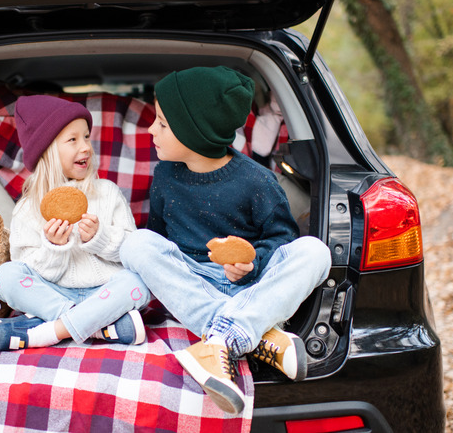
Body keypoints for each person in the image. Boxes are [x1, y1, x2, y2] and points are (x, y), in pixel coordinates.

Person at [120, 66, 332, 414]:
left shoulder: (257, 181)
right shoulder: (164, 175)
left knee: (315, 252)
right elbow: (158, 243)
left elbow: (282, 238)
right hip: (193, 284)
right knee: (136, 244)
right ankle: (257, 335)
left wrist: (251, 265)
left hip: (251, 285)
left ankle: (219, 342)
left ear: (194, 130)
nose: (150, 129)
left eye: (161, 122)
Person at [0, 95, 151, 353]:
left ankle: (47, 332)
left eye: (87, 137)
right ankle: (98, 327)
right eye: (73, 140)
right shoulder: (28, 207)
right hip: (53, 297)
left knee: (139, 281)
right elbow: (26, 268)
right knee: (4, 277)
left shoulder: (108, 192)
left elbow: (132, 254)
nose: (86, 147)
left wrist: (99, 239)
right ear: (47, 150)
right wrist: (54, 248)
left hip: (104, 293)